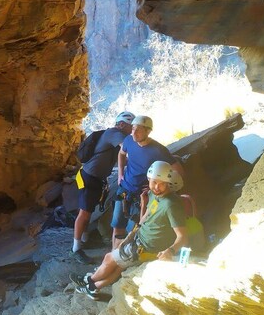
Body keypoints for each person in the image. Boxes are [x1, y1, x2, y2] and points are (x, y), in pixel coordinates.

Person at [72, 161, 187, 299]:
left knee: (110, 258)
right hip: (140, 237)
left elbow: (182, 236)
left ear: (168, 182)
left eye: (162, 183)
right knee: (119, 266)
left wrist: (171, 250)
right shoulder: (153, 195)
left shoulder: (171, 204)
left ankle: (89, 281)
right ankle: (93, 288)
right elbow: (145, 218)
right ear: (149, 179)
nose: (157, 187)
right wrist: (144, 204)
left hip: (146, 247)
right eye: (154, 182)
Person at [71, 111, 135, 263]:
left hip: (96, 177)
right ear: (121, 124)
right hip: (89, 177)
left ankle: (84, 239)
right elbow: (128, 147)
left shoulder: (114, 136)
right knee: (85, 213)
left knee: (89, 210)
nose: (132, 130)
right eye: (130, 126)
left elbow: (121, 158)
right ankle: (76, 249)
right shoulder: (114, 133)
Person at [112, 115, 184, 248]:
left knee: (135, 229)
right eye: (133, 128)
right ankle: (114, 256)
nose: (134, 132)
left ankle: (125, 262)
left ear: (148, 131)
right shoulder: (128, 140)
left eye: (138, 129)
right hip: (124, 188)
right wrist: (120, 173)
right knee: (117, 226)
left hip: (142, 196)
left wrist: (158, 189)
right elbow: (121, 154)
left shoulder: (158, 150)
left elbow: (177, 171)